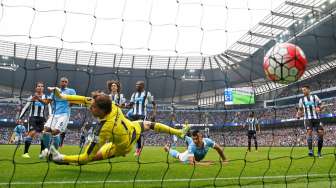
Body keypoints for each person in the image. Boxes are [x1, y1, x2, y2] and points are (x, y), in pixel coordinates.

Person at [48, 89, 190, 165]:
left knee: (90, 158)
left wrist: (63, 156)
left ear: (102, 111)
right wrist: (62, 96)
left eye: (93, 108)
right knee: (150, 124)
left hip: (123, 146)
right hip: (133, 128)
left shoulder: (104, 129)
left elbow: (85, 156)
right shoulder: (111, 104)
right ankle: (178, 132)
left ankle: (59, 158)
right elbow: (83, 99)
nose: (90, 108)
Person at [39, 77, 76, 157]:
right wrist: (38, 98)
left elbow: (75, 100)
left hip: (64, 114)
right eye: (62, 81)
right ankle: (48, 151)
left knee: (56, 132)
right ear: (60, 82)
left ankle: (54, 152)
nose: (64, 83)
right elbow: (47, 102)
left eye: (65, 82)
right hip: (54, 114)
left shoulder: (71, 91)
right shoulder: (54, 93)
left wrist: (70, 104)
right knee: (45, 132)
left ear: (67, 83)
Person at [19, 81, 51, 158]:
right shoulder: (32, 97)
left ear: (43, 88)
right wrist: (20, 117)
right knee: (32, 133)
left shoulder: (46, 97)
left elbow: (49, 107)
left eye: (42, 86)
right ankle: (25, 153)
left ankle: (41, 153)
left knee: (44, 135)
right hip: (32, 118)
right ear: (36, 88)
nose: (40, 87)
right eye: (38, 86)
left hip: (42, 118)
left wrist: (50, 115)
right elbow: (26, 107)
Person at [127, 81, 157, 156]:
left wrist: (154, 113)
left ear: (143, 86)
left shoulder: (147, 94)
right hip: (133, 115)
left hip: (142, 115)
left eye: (138, 85)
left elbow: (154, 104)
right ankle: (128, 147)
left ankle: (138, 149)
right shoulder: (134, 94)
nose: (137, 86)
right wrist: (123, 105)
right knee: (129, 130)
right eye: (136, 85)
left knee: (137, 131)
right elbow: (130, 105)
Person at [296, 85, 324, 157]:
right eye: (302, 90)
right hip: (307, 118)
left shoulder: (315, 97)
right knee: (309, 132)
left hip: (317, 118)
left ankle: (319, 152)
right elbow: (300, 109)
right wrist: (298, 114)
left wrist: (319, 108)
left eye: (304, 90)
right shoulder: (301, 100)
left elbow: (322, 105)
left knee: (321, 133)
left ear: (309, 90)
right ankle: (310, 151)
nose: (303, 91)